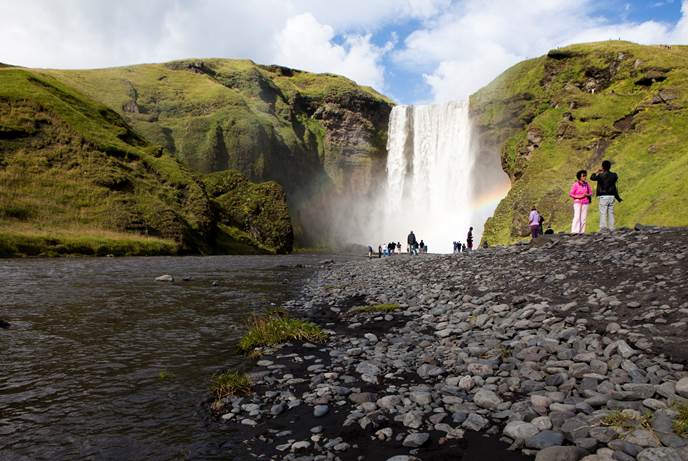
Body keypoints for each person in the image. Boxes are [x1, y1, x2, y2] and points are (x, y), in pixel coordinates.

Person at [590, 160, 621, 231]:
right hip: (612, 196)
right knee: (611, 212)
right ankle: (612, 227)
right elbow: (615, 180)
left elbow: (592, 178)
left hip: (603, 196)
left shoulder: (600, 175)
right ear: (610, 167)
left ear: (603, 167)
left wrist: (597, 171)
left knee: (603, 212)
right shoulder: (614, 175)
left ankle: (603, 227)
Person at [569, 169, 592, 233]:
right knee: (577, 217)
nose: (585, 177)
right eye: (583, 176)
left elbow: (590, 193)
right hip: (578, 202)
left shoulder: (587, 184)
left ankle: (582, 231)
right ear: (579, 177)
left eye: (585, 175)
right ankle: (574, 231)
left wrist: (586, 194)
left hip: (585, 202)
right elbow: (571, 194)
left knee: (583, 218)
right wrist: (579, 197)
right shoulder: (575, 185)